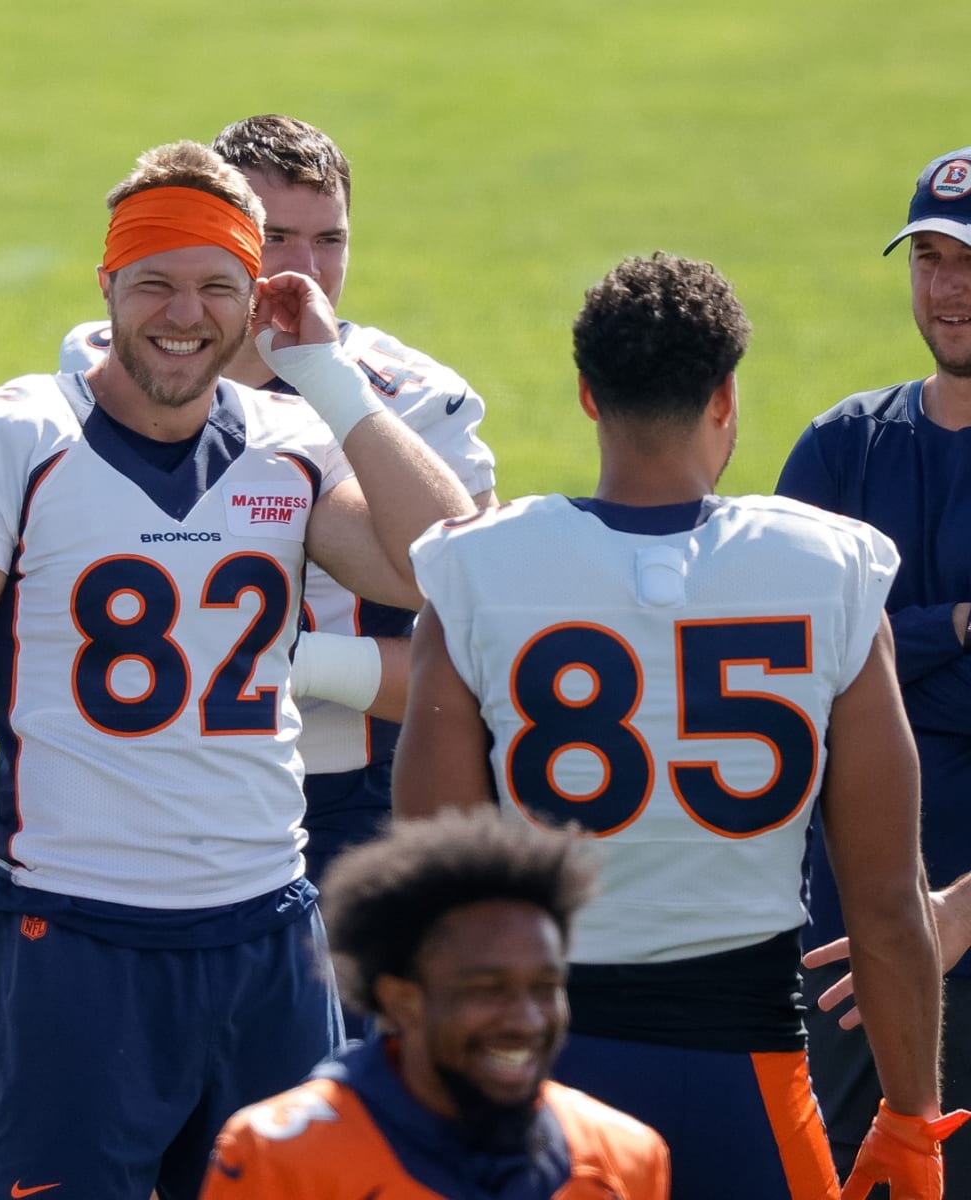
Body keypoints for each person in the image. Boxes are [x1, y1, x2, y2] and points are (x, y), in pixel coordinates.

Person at [0, 140, 474, 1200]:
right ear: (108, 285)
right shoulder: (9, 443)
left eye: (218, 285)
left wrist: (334, 381)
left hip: (270, 935)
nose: (184, 313)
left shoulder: (293, 442)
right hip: (74, 936)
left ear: (256, 298)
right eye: (156, 280)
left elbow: (455, 570)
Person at [392, 252, 964, 1199]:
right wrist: (911, 1123)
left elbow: (430, 889)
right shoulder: (828, 568)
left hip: (541, 1077)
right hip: (751, 1082)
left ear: (587, 395)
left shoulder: (477, 569)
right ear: (725, 396)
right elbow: (890, 904)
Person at [61, 114, 497, 899]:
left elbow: (488, 639)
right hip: (156, 781)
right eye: (278, 239)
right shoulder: (122, 377)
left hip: (363, 795)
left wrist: (295, 665)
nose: (307, 269)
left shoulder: (419, 400)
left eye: (330, 240)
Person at [777, 145, 971, 1192]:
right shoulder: (842, 445)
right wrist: (954, 629)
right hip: (848, 935)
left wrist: (958, 910)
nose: (950, 289)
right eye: (931, 257)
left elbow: (850, 662)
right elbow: (786, 673)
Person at [198, 806, 670, 1199]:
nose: (525, 1020)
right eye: (487, 989)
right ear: (401, 999)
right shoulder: (279, 1155)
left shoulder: (625, 1155)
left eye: (544, 988)